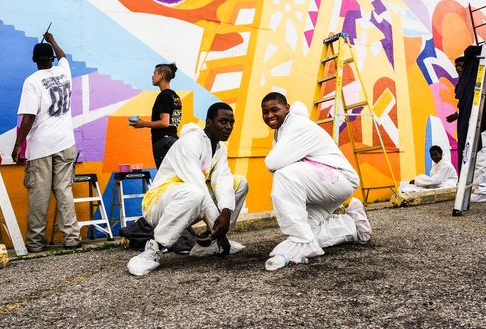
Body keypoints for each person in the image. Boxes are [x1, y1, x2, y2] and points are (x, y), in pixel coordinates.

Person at [127, 102, 248, 276]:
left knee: (240, 183)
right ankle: (153, 250)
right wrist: (220, 229)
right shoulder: (190, 142)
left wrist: (227, 210)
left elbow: (222, 178)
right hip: (158, 202)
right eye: (223, 122)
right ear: (208, 122)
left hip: (191, 198)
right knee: (196, 192)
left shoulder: (220, 148)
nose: (228, 127)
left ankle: (208, 243)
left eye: (231, 123)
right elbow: (198, 183)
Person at [260, 92, 372, 272]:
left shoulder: (296, 125)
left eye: (275, 110)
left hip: (339, 178)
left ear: (287, 108)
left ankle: (300, 239)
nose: (270, 116)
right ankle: (354, 225)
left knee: (284, 175)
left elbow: (272, 163)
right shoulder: (281, 130)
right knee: (310, 233)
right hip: (324, 183)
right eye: (265, 112)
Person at [12, 32, 81, 253]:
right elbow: (64, 58)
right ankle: (71, 238)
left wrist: (17, 145)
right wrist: (52, 40)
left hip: (42, 146)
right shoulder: (64, 73)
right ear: (51, 57)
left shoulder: (32, 81)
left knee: (39, 194)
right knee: (64, 191)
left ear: (34, 60)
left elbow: (29, 116)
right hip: (66, 142)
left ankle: (35, 242)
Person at [446, 56, 486, 202]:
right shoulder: (471, 83)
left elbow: (475, 105)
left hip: (483, 123)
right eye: (456, 66)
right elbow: (471, 106)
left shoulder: (473, 83)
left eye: (461, 66)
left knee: (482, 151)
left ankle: (482, 190)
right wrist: (458, 114)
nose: (457, 68)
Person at [130, 63, 182, 168]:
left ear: (162, 75)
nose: (152, 76)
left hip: (163, 142)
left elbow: (164, 122)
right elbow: (171, 122)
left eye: (154, 73)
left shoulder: (164, 95)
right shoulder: (175, 97)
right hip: (174, 140)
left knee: (164, 178)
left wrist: (142, 123)